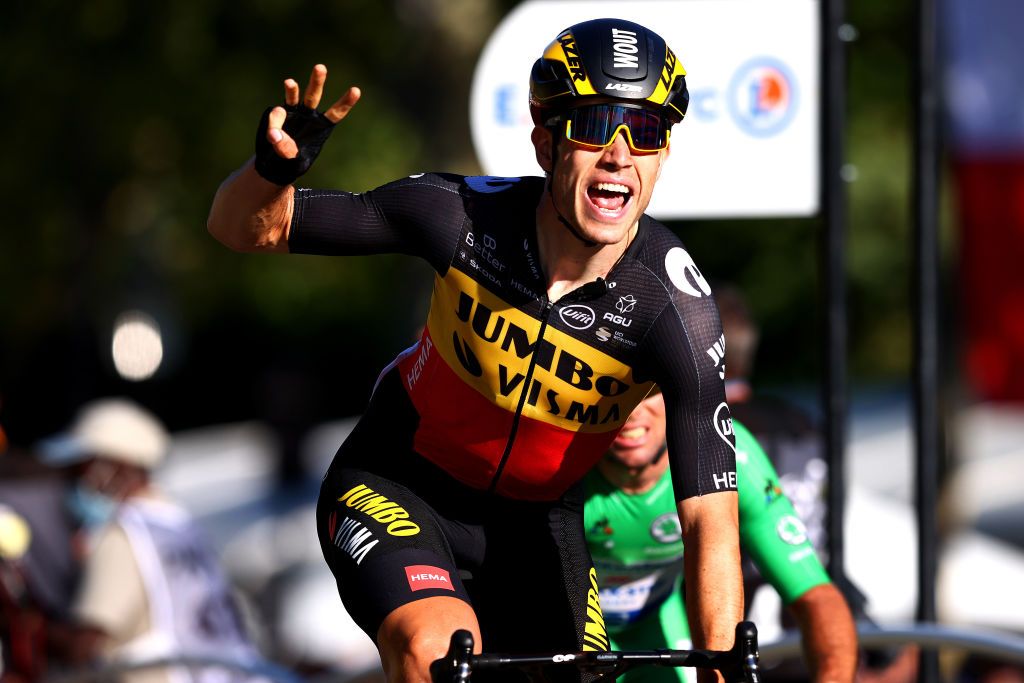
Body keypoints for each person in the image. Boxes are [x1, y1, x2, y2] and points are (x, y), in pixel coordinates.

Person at [208, 18, 742, 683]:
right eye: (597, 124)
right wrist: (270, 173)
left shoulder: (674, 305)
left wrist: (723, 667)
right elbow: (239, 227)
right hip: (401, 483)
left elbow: (710, 519)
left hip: (537, 524)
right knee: (441, 652)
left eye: (649, 132)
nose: (620, 154)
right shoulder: (457, 216)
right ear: (544, 142)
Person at [585, 390, 858, 683]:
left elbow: (816, 596)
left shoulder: (726, 452)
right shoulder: (562, 461)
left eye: (648, 392)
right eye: (613, 390)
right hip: (567, 628)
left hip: (653, 623)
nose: (632, 410)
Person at [40, 398, 258, 683]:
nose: (71, 483)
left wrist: (27, 623)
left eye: (79, 468)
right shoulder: (183, 527)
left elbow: (82, 648)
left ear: (112, 466)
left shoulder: (125, 535)